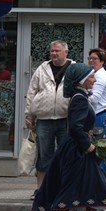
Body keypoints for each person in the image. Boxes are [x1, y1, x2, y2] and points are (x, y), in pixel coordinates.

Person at [32, 63, 106, 211]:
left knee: (97, 186)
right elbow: (76, 128)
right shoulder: (79, 98)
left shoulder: (81, 95)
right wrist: (88, 145)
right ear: (81, 80)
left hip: (81, 149)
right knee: (72, 188)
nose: (94, 79)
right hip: (78, 151)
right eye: (91, 77)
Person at [24, 40, 73, 192]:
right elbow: (31, 92)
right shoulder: (42, 69)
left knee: (65, 155)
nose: (53, 53)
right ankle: (41, 190)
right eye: (52, 51)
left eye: (57, 51)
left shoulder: (74, 69)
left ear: (66, 52)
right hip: (44, 119)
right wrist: (29, 115)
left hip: (66, 120)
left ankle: (63, 188)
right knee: (44, 156)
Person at [87, 48, 106, 194]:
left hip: (99, 118)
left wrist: (81, 93)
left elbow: (93, 100)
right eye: (90, 58)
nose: (91, 61)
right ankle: (105, 189)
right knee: (103, 153)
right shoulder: (97, 74)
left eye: (95, 59)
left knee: (102, 154)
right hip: (100, 117)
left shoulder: (99, 76)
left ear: (102, 61)